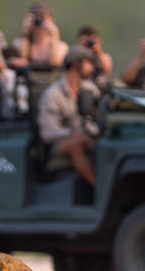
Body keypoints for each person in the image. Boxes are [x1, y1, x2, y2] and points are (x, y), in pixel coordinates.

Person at [38, 45, 101, 186]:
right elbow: (47, 132)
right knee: (75, 144)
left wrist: (88, 134)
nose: (91, 67)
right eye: (88, 62)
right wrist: (73, 134)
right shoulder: (53, 94)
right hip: (60, 143)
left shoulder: (90, 89)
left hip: (86, 137)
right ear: (76, 64)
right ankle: (98, 187)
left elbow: (97, 119)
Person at [12, 1, 69, 69]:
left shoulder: (61, 46)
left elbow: (54, 63)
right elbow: (23, 60)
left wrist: (54, 33)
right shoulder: (19, 43)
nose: (39, 22)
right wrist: (25, 31)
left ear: (51, 20)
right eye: (35, 18)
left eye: (43, 18)